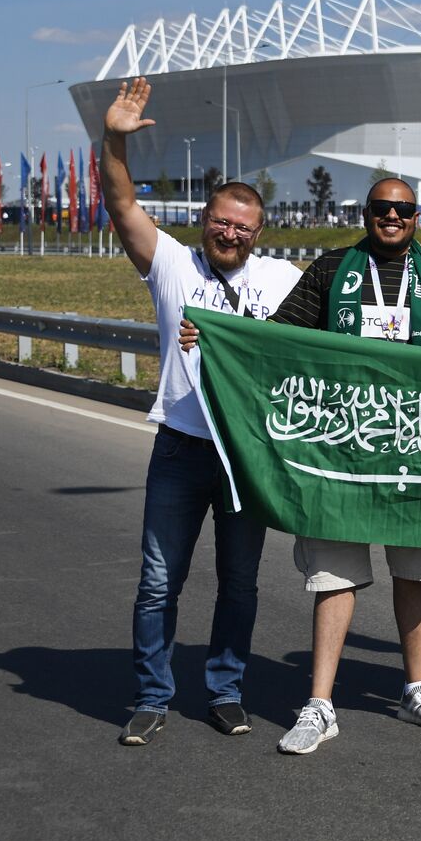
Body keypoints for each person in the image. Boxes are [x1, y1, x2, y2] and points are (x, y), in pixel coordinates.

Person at [246, 178, 421, 754]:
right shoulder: (332, 270)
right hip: (340, 445)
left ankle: (417, 690)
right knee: (333, 576)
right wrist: (218, 334)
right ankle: (320, 705)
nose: (391, 217)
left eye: (403, 210)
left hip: (414, 449)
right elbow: (282, 339)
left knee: (416, 572)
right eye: (382, 209)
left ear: (417, 217)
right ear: (366, 214)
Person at [101, 77, 303, 746]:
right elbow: (122, 202)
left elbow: (318, 344)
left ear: (259, 232)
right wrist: (113, 141)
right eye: (221, 221)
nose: (229, 233)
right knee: (159, 580)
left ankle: (224, 690)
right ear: (204, 220)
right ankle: (153, 695)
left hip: (245, 457)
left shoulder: (282, 280)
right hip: (183, 449)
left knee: (240, 584)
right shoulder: (172, 266)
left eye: (243, 226)